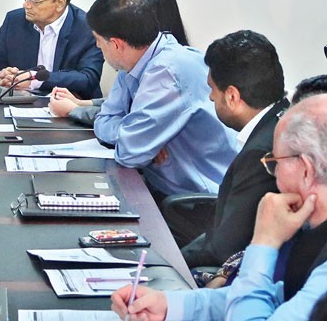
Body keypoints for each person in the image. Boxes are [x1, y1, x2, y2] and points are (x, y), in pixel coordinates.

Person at [111, 94, 327, 320]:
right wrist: (168, 305)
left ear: (305, 169)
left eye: (275, 163)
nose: (274, 175)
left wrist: (264, 242)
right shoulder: (309, 230)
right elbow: (261, 300)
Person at [87, 0, 237, 197]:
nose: (96, 45)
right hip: (162, 186)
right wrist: (139, 135)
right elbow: (103, 119)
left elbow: (130, 152)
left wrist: (139, 139)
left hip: (200, 201)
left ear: (116, 44)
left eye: (98, 39)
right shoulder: (133, 60)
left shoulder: (167, 72)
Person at [169, 30, 289, 269]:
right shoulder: (281, 118)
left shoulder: (261, 152)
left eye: (213, 89)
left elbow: (224, 247)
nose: (211, 97)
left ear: (232, 96)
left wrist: (170, 263)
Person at [49, 0, 188, 121]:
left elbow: (131, 125)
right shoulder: (135, 59)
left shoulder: (164, 71)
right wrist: (83, 104)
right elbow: (120, 104)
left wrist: (75, 110)